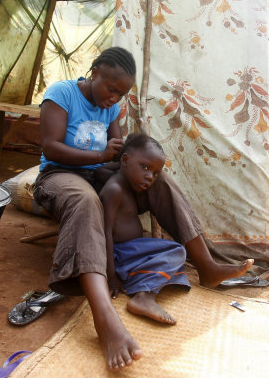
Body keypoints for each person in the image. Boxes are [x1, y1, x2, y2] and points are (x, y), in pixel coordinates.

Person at [33, 46, 253, 371]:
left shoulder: (112, 109)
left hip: (97, 173)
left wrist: (136, 169)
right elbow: (51, 146)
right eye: (111, 88)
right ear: (94, 72)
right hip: (59, 175)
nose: (114, 98)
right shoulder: (61, 93)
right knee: (86, 200)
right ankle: (105, 318)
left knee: (158, 179)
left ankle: (206, 265)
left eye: (121, 93)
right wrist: (100, 156)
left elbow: (119, 156)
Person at [99, 133, 189, 325]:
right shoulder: (114, 189)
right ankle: (144, 297)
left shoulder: (125, 181)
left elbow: (103, 170)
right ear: (124, 160)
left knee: (174, 257)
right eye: (145, 167)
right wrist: (111, 275)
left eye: (156, 173)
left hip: (130, 250)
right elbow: (104, 232)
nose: (150, 177)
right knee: (176, 251)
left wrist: (128, 168)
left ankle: (141, 289)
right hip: (121, 254)